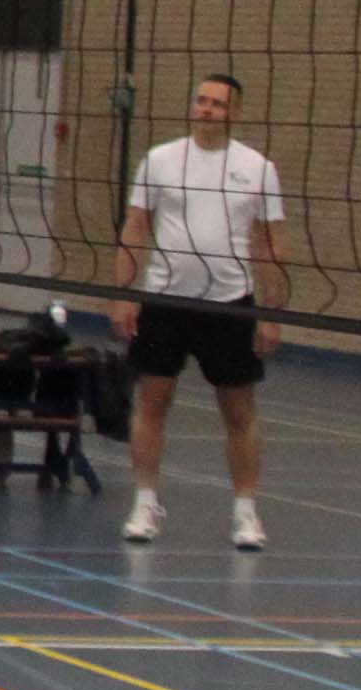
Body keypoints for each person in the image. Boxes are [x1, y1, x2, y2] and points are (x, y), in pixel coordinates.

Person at [114, 71, 287, 551]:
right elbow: (135, 227)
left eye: (217, 103)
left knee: (239, 409)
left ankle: (246, 512)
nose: (206, 109)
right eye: (201, 100)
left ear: (235, 113)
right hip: (165, 299)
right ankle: (145, 503)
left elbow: (272, 244)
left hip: (230, 304)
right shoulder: (160, 160)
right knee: (152, 401)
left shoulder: (258, 168)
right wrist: (124, 293)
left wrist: (272, 312)